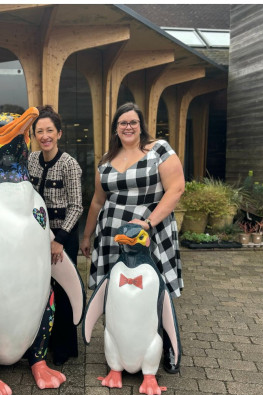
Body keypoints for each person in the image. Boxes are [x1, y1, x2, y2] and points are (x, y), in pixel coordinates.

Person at [79, 102, 185, 373]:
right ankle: (121, 347)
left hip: (152, 230)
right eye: (123, 122)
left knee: (155, 289)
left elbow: (176, 188)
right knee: (118, 292)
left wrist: (149, 222)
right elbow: (96, 202)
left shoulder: (158, 149)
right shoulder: (105, 160)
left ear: (141, 126)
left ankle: (170, 348)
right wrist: (86, 235)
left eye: (133, 122)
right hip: (113, 233)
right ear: (115, 128)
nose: (128, 127)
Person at [28, 105, 83, 366]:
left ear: (59, 133)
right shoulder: (31, 160)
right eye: (40, 131)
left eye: (49, 130)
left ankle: (65, 345)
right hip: (38, 237)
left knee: (62, 290)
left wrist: (59, 240)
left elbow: (76, 206)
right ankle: (45, 340)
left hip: (63, 236)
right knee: (41, 289)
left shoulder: (69, 164)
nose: (45, 135)